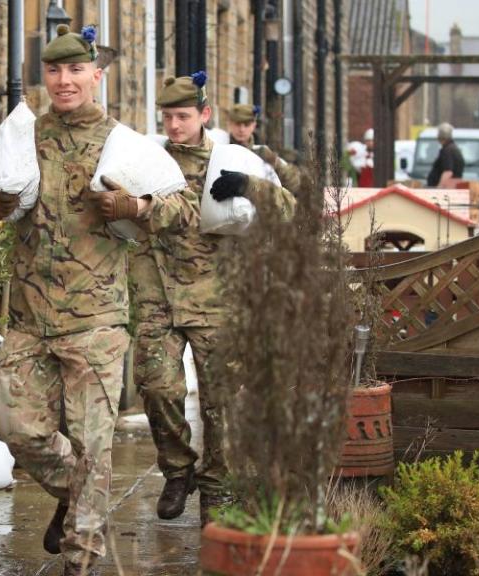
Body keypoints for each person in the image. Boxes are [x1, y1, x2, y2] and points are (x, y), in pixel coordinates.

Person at [0, 24, 197, 576]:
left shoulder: (124, 144)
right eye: (54, 70)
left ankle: (82, 558)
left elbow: (184, 212)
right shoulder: (24, 137)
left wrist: (136, 208)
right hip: (28, 316)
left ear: (97, 75)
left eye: (75, 71)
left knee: (96, 447)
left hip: (96, 321)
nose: (64, 81)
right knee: (15, 427)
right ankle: (74, 495)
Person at [133, 73, 296, 521]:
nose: (174, 125)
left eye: (182, 116)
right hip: (158, 296)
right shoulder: (152, 161)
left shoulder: (232, 160)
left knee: (222, 403)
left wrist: (248, 187)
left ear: (204, 115)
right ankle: (177, 469)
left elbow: (290, 210)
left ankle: (218, 490)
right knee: (156, 387)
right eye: (167, 117)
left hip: (216, 299)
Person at [226, 103, 301, 191]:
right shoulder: (219, 150)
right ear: (230, 124)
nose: (242, 129)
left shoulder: (262, 153)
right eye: (238, 124)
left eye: (246, 124)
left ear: (253, 125)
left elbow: (293, 181)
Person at [427, 122, 465, 187]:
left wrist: (439, 188)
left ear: (440, 136)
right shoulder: (454, 148)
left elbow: (448, 172)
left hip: (446, 188)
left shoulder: (447, 151)